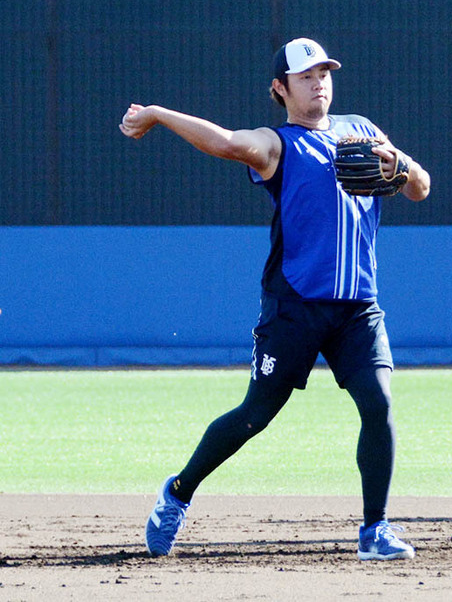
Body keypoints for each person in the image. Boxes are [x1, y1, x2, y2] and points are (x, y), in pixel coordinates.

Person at [118, 37, 430, 560]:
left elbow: (421, 186)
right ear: (280, 88)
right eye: (306, 75)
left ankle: (375, 529)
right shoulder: (277, 144)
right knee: (255, 414)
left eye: (324, 72)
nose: (319, 81)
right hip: (294, 305)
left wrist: (398, 164)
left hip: (358, 306)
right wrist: (157, 113)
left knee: (378, 405)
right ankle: (177, 493)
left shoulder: (364, 131)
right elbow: (224, 143)